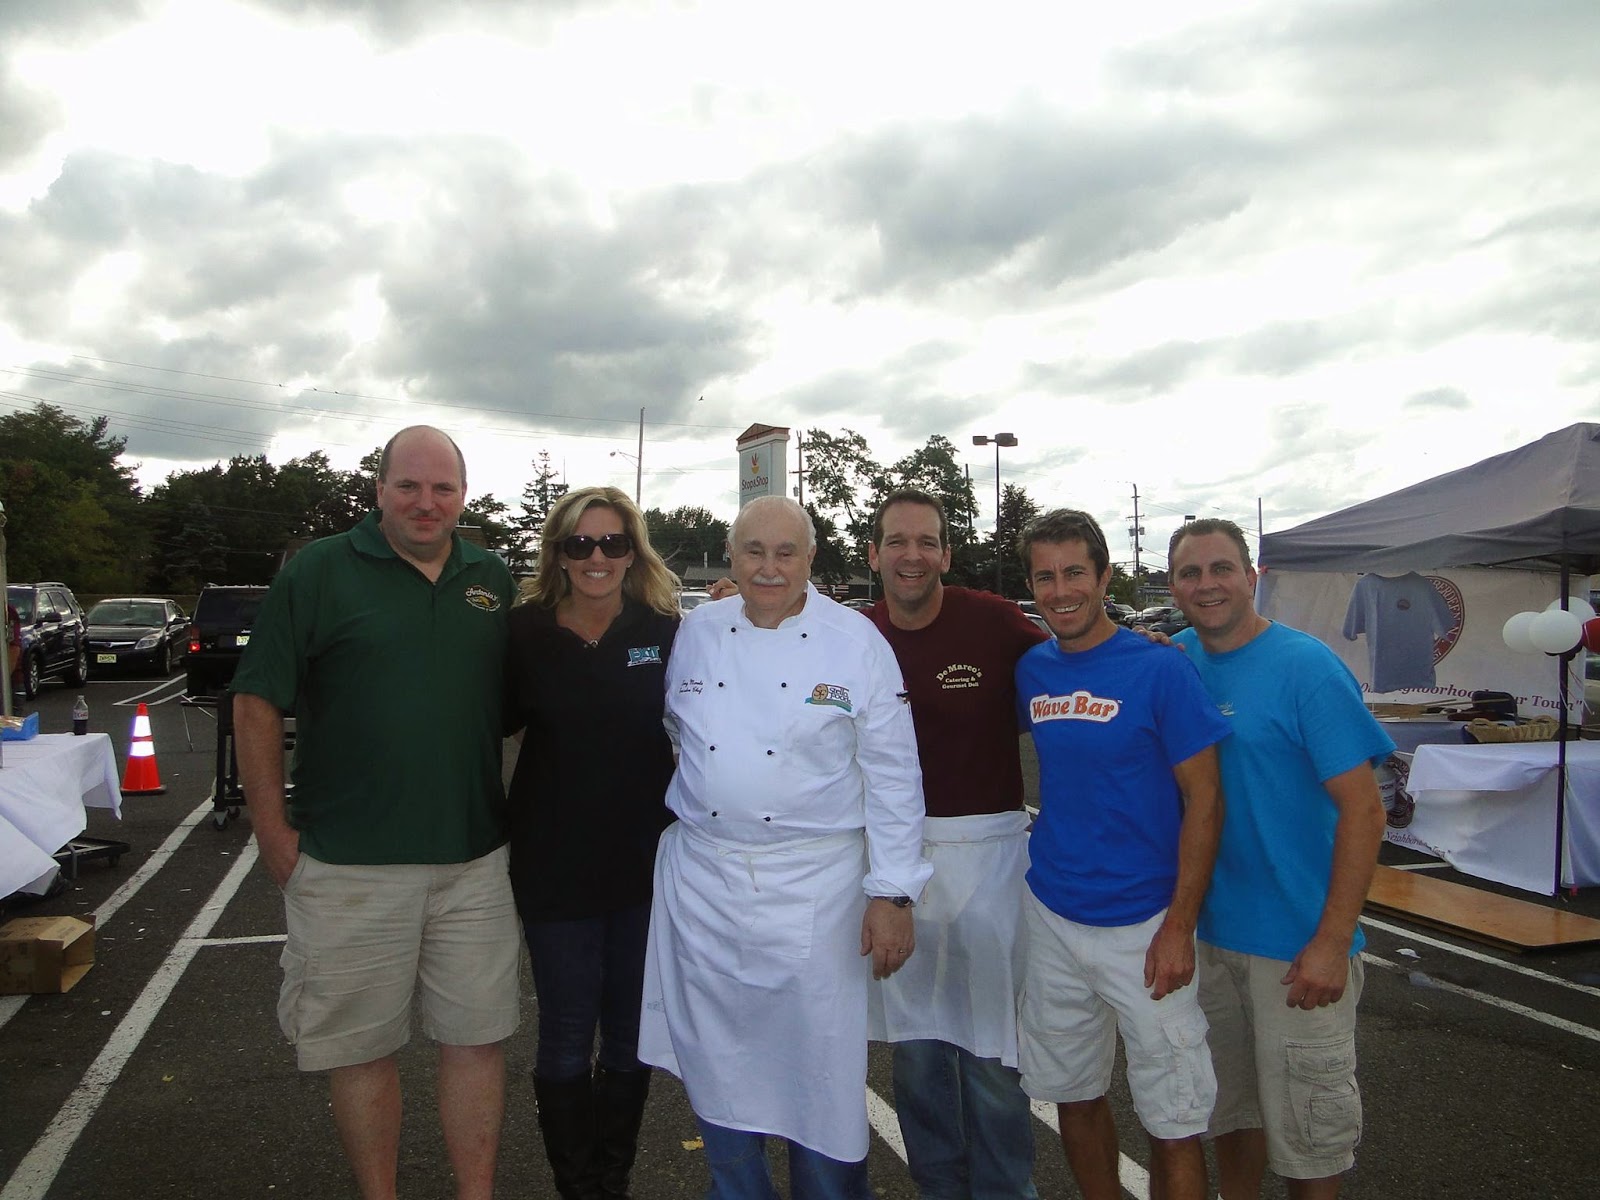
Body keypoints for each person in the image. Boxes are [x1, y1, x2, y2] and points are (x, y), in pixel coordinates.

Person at [232, 425, 520, 1200]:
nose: (426, 503)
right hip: (349, 864)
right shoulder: (320, 572)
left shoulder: (490, 575)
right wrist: (274, 834)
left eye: (443, 489)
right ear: (379, 489)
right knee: (361, 1051)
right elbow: (257, 702)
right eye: (409, 486)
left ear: (463, 495)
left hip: (474, 862)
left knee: (478, 1042)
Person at [638, 495, 931, 1199]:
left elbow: (893, 774)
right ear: (731, 557)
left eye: (785, 553)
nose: (769, 568)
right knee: (716, 1065)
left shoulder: (856, 642)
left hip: (816, 891)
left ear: (811, 559)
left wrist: (892, 892)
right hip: (704, 891)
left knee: (821, 1080)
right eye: (754, 552)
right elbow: (679, 737)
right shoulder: (697, 632)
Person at [1168, 519, 1393, 1200]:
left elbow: (1366, 811)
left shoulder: (1307, 668)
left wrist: (1330, 941)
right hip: (1208, 941)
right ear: (1174, 587)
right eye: (1190, 573)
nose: (1206, 585)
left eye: (1221, 568)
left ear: (1251, 577)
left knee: (1309, 1140)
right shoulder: (1175, 661)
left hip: (1296, 949)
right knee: (1230, 1118)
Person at [1013, 508, 1228, 1200]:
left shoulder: (1159, 669)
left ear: (1105, 576)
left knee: (1174, 1119)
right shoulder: (1033, 670)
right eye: (1044, 577)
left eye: (1075, 571)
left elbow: (1205, 801)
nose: (1060, 589)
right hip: (1053, 915)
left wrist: (1179, 927)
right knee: (1073, 1095)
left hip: (1145, 923)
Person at [862, 489, 1047, 1200]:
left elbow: (1075, 665)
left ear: (946, 552)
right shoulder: (858, 638)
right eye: (897, 541)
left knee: (994, 1066)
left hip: (991, 864)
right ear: (874, 554)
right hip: (894, 868)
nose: (913, 555)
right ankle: (940, 1188)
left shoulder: (995, 624)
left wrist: (1153, 646)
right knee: (918, 1059)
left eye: (927, 541)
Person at [506, 486, 680, 1200]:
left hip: (644, 865)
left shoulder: (667, 630)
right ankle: (578, 1185)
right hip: (555, 867)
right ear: (559, 553)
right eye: (580, 544)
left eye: (612, 543)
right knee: (567, 1035)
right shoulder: (523, 633)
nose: (597, 557)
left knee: (632, 1035)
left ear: (633, 551)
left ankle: (615, 1177)